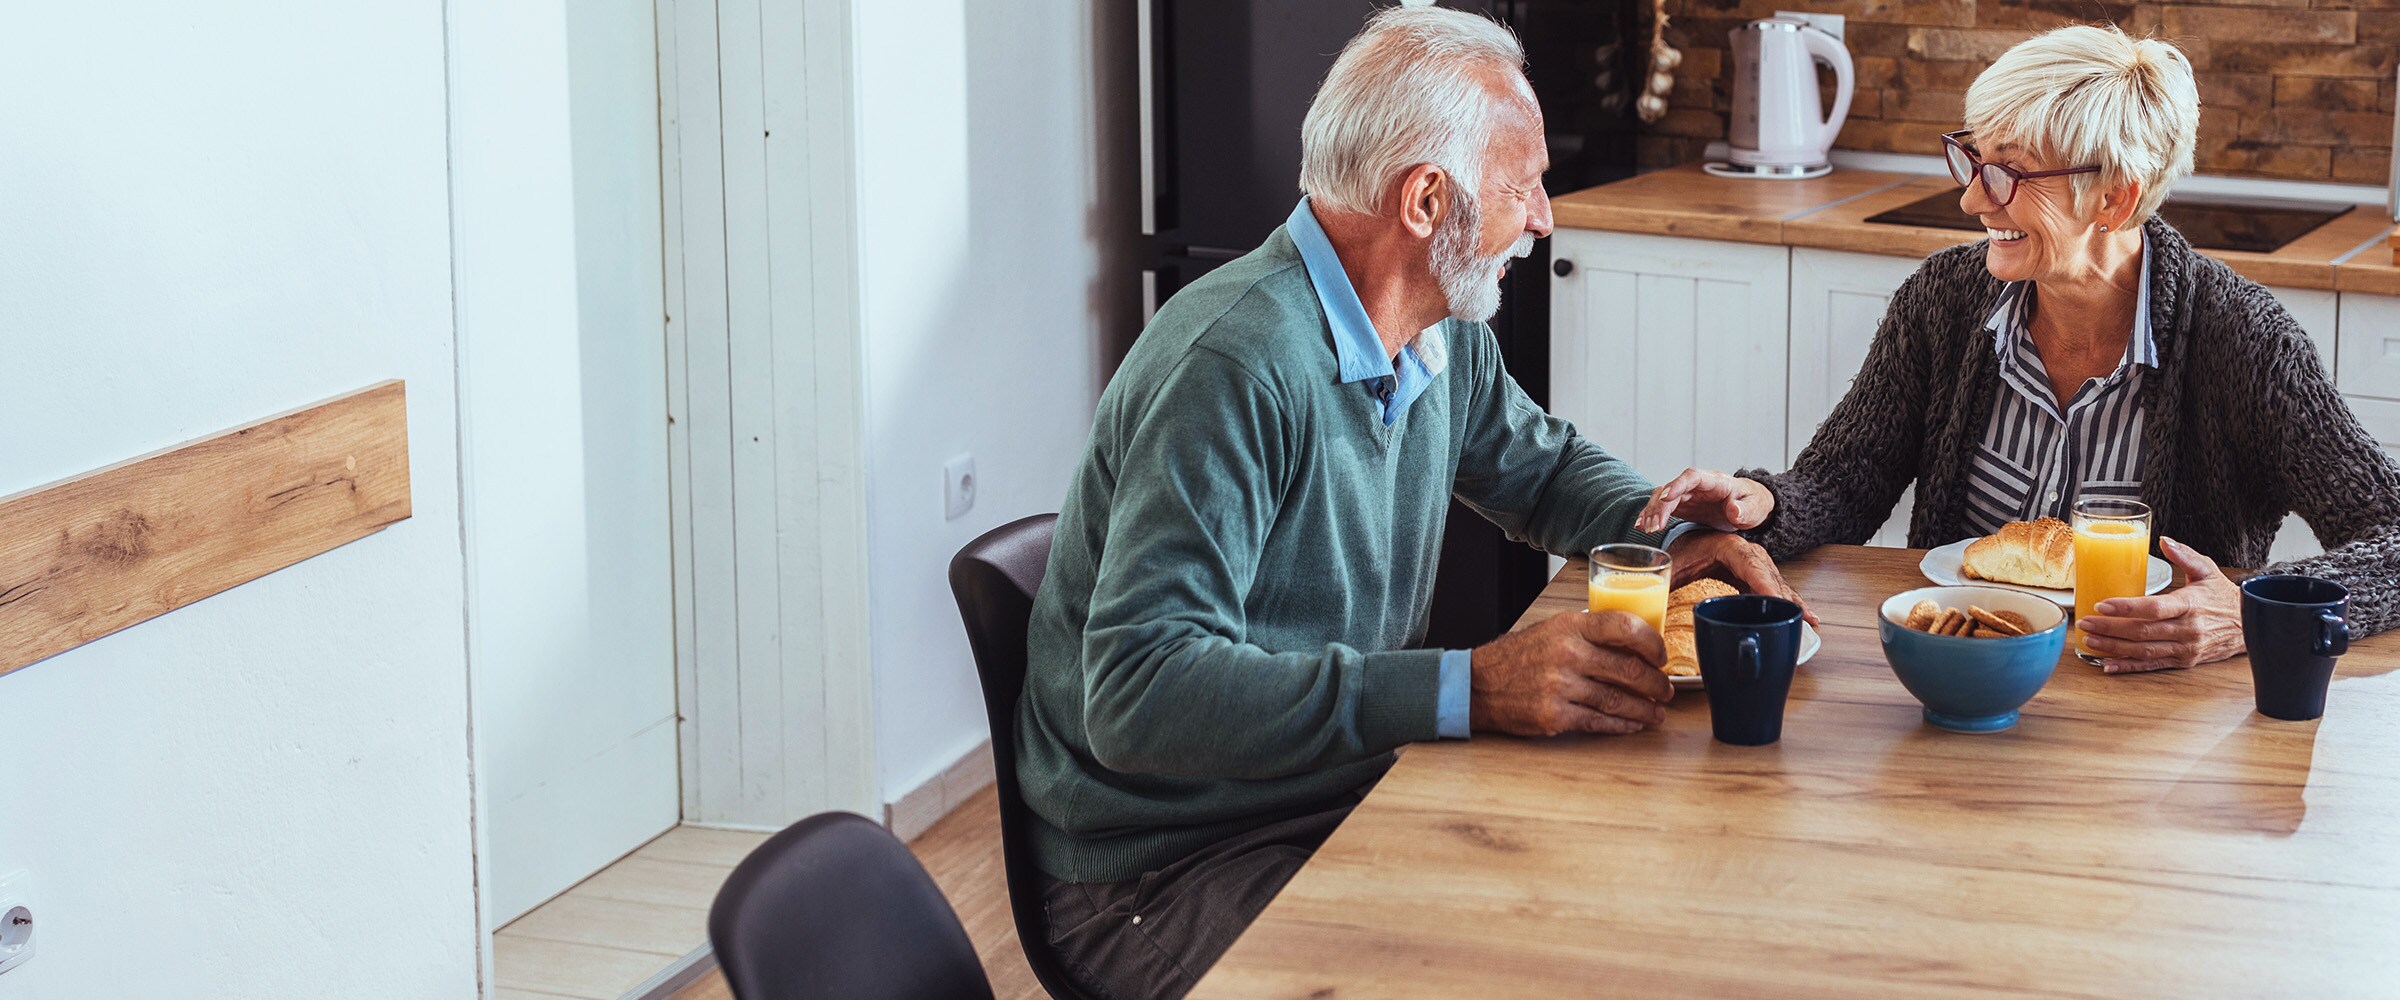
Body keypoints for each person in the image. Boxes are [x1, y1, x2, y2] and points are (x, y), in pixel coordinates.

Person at [1016, 8, 1799, 998]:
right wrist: (1464, 687)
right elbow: (1139, 696)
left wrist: (1675, 528)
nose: (1547, 216)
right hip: (1166, 862)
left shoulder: (1435, 329)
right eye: (1526, 184)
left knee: (1606, 926)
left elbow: (1541, 470)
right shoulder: (1234, 364)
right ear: (1427, 199)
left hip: (1339, 791)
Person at [1639, 23, 2400, 672]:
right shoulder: (1944, 300)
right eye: (1974, 158)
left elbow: (2393, 538)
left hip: (2155, 722)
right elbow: (1846, 478)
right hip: (1957, 679)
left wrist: (2253, 615)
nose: (1973, 198)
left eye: (2008, 172)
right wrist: (1763, 501)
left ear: (2117, 196)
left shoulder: (2246, 344)